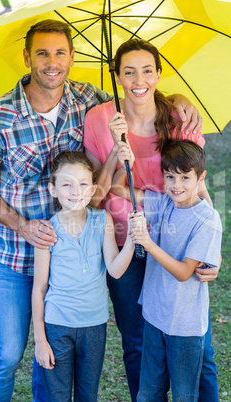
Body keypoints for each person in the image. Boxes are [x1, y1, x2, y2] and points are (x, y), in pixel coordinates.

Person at [0, 19, 205, 401]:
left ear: (73, 57)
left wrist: (176, 99)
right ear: (27, 57)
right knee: (9, 354)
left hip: (77, 254)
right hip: (19, 253)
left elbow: (138, 90)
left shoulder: (87, 100)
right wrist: (23, 225)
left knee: (74, 354)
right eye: (42, 53)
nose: (52, 61)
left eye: (60, 52)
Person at [83, 38, 220, 401]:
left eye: (147, 70)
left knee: (197, 343)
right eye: (128, 71)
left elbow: (197, 186)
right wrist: (115, 149)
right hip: (126, 244)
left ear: (160, 74)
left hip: (176, 244)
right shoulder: (99, 120)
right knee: (137, 342)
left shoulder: (180, 117)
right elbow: (96, 195)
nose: (138, 79)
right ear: (116, 75)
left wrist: (210, 250)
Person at [116, 139, 222, 401]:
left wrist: (147, 243)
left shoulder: (207, 218)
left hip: (185, 327)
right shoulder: (163, 203)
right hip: (155, 316)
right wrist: (123, 162)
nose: (176, 185)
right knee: (148, 392)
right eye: (170, 177)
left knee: (185, 395)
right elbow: (118, 187)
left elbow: (185, 272)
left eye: (185, 177)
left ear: (201, 177)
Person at [32, 150, 140, 401]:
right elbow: (39, 289)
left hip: (94, 325)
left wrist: (134, 239)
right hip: (58, 325)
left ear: (92, 190)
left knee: (87, 394)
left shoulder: (103, 220)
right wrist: (40, 340)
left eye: (82, 184)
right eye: (66, 184)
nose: (75, 191)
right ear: (53, 189)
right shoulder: (46, 231)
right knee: (57, 395)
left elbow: (114, 269)